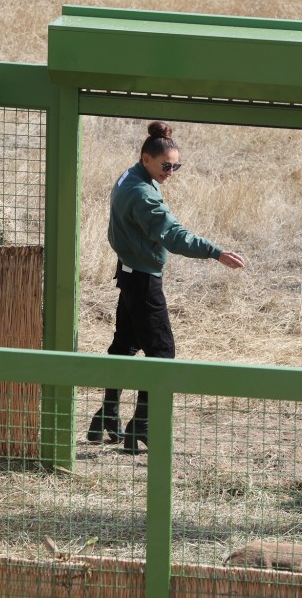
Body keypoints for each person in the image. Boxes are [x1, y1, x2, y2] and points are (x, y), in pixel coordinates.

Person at [87, 120, 246, 453]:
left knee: (125, 347)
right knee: (162, 354)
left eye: (175, 165)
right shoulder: (143, 193)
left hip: (129, 273)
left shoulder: (130, 176)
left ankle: (107, 415)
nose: (171, 171)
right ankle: (140, 427)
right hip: (143, 281)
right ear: (146, 158)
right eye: (165, 165)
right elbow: (174, 235)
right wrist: (215, 252)